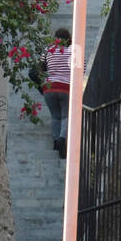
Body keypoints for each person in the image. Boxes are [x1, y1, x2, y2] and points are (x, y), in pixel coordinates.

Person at [43, 27, 72, 159]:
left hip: (49, 88)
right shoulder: (72, 51)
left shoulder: (48, 50)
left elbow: (41, 67)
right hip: (65, 88)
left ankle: (55, 141)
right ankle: (62, 138)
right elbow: (81, 69)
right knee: (66, 115)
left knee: (55, 116)